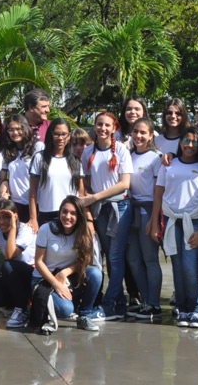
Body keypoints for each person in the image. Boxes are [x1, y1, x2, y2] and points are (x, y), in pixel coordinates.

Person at [151, 126, 198, 329]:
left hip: (193, 221)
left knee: (190, 267)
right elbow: (158, 195)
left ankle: (194, 309)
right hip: (171, 221)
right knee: (177, 267)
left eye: (195, 141)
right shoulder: (168, 164)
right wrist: (154, 223)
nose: (190, 145)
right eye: (186, 140)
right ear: (180, 142)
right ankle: (182, 308)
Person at [79, 111, 133, 321]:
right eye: (99, 124)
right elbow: (86, 181)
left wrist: (95, 197)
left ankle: (110, 305)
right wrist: (91, 200)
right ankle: (118, 301)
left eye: (107, 125)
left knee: (115, 257)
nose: (102, 128)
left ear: (114, 128)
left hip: (119, 207)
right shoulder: (88, 151)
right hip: (99, 209)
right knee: (104, 256)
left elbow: (124, 183)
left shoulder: (121, 149)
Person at [33, 196, 103, 333]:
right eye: (64, 212)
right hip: (44, 279)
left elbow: (85, 261)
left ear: (79, 216)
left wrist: (65, 272)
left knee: (96, 274)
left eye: (73, 213)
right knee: (65, 310)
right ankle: (45, 306)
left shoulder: (83, 232)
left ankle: (85, 315)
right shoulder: (46, 229)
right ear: (59, 212)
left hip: (68, 277)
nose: (67, 216)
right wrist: (56, 284)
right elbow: (38, 262)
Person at [124, 118, 163, 322]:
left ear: (151, 135)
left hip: (148, 211)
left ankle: (154, 304)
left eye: (143, 132)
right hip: (131, 210)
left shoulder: (156, 158)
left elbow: (158, 192)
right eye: (135, 131)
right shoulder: (128, 155)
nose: (138, 136)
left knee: (150, 259)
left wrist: (154, 220)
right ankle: (146, 300)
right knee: (132, 259)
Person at [0, 198, 37, 329]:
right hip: (13, 275)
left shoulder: (26, 230)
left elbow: (10, 255)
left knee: (7, 265)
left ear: (15, 216)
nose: (2, 221)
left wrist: (13, 227)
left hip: (30, 274)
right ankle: (16, 305)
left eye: (6, 217)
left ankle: (22, 309)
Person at [29, 118, 81, 232]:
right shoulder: (39, 157)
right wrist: (33, 218)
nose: (60, 138)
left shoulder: (76, 161)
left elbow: (81, 192)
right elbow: (33, 190)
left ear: (69, 136)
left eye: (64, 134)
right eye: (56, 134)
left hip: (71, 215)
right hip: (46, 214)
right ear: (50, 134)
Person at [4, 114, 43, 223]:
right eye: (11, 130)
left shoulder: (37, 147)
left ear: (25, 128)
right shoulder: (8, 151)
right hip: (16, 203)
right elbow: (4, 177)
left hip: (35, 202)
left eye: (18, 129)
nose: (15, 133)